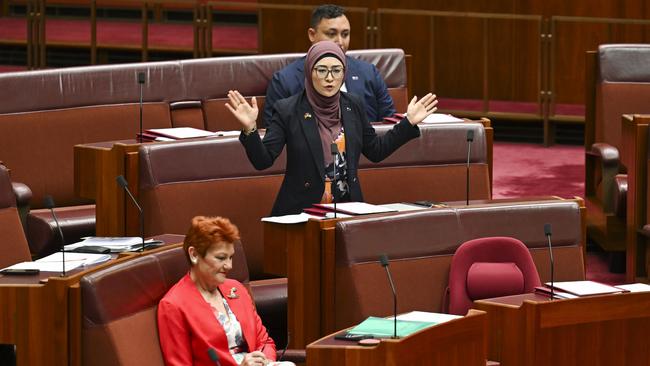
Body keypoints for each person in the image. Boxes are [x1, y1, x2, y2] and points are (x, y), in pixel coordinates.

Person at [226, 41, 437, 216]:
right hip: (301, 212)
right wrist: (250, 129)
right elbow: (263, 160)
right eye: (322, 70)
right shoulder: (288, 109)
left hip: (347, 208)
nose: (329, 78)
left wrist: (408, 123)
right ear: (309, 71)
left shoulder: (353, 105)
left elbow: (376, 151)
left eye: (336, 71)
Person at [158, 216, 294, 366]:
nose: (229, 265)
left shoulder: (236, 289)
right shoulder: (174, 305)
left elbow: (265, 342)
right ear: (194, 255)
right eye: (221, 258)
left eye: (231, 257)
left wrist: (265, 360)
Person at [263, 4, 395, 125]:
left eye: (345, 34)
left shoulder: (369, 73)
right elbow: (273, 133)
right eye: (331, 34)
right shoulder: (284, 81)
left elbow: (389, 122)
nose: (340, 42)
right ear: (312, 35)